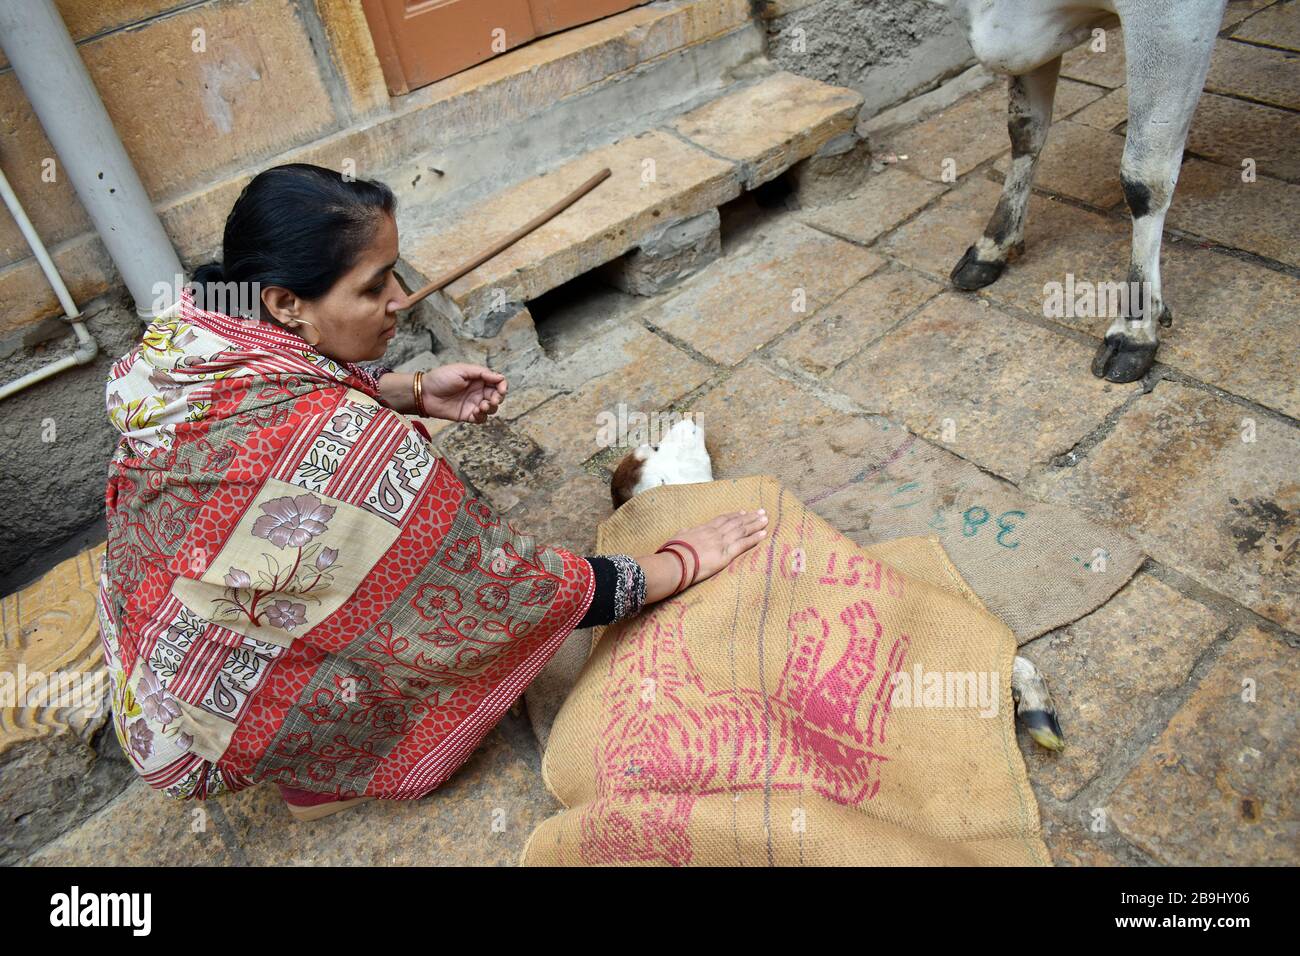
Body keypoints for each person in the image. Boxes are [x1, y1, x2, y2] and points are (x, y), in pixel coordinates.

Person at [97, 163, 767, 819]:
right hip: (207, 733)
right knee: (420, 619)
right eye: (372, 288)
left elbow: (287, 391)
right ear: (284, 303)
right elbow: (499, 589)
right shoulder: (345, 444)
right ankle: (314, 762)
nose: (399, 302)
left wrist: (408, 389)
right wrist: (673, 565)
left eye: (395, 273)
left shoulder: (190, 336)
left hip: (159, 666)